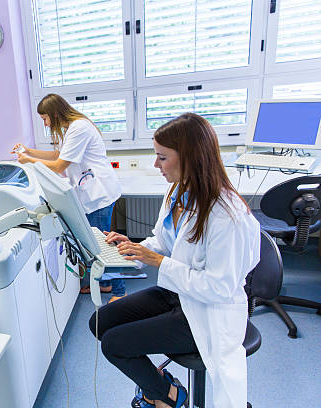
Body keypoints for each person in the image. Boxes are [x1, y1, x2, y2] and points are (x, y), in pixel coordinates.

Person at [89, 113, 260, 408]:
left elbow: (218, 287)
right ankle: (164, 388)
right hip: (179, 293)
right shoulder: (178, 192)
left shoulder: (226, 216)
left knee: (114, 344)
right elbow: (164, 240)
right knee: (100, 322)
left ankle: (166, 397)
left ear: (191, 158)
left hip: (209, 310)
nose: (156, 165)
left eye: (162, 157)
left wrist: (157, 261)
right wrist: (133, 248)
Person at [13, 93, 125, 302]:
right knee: (98, 241)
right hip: (92, 191)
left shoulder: (79, 128)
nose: (45, 124)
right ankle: (107, 284)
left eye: (45, 118)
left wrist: (28, 160)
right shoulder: (72, 128)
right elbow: (58, 156)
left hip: (99, 193)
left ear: (55, 114)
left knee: (101, 244)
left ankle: (120, 292)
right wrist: (30, 152)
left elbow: (59, 166)